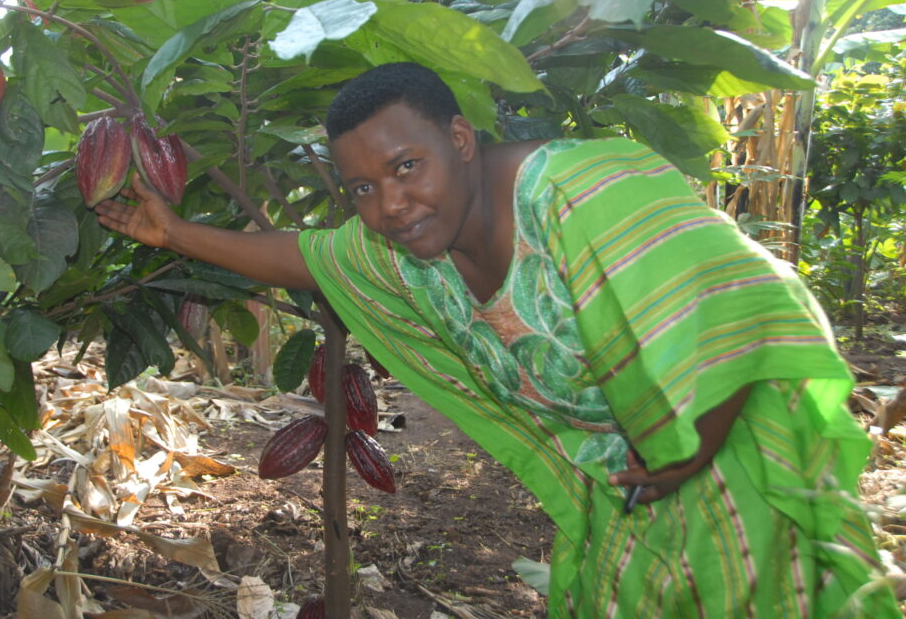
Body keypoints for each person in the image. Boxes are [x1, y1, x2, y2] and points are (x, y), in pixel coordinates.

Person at [96, 63, 899, 617]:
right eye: (364, 188)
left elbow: (747, 301)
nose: (391, 204)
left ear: (462, 138)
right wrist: (173, 232)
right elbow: (303, 255)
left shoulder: (588, 190)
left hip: (736, 480)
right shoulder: (407, 254)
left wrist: (696, 440)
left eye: (409, 165)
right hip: (623, 498)